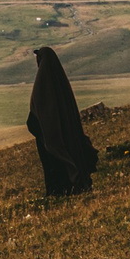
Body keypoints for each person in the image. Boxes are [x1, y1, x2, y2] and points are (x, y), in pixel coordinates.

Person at [25, 46, 98, 195]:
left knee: (53, 163)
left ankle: (58, 190)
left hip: (50, 135)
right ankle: (67, 187)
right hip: (64, 132)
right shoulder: (60, 81)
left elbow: (38, 112)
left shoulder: (42, 83)